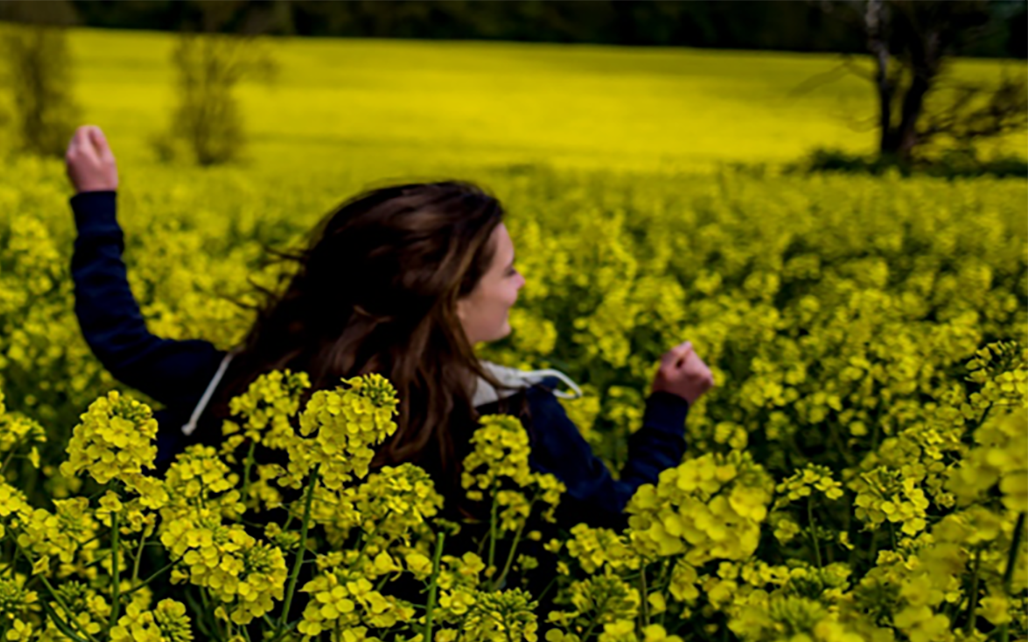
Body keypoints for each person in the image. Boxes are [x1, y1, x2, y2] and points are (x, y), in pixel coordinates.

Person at [62, 124, 715, 529]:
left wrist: (96, 206)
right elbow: (623, 521)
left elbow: (121, 340)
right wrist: (667, 412)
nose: (523, 285)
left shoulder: (252, 382)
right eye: (510, 271)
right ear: (449, 299)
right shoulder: (519, 419)